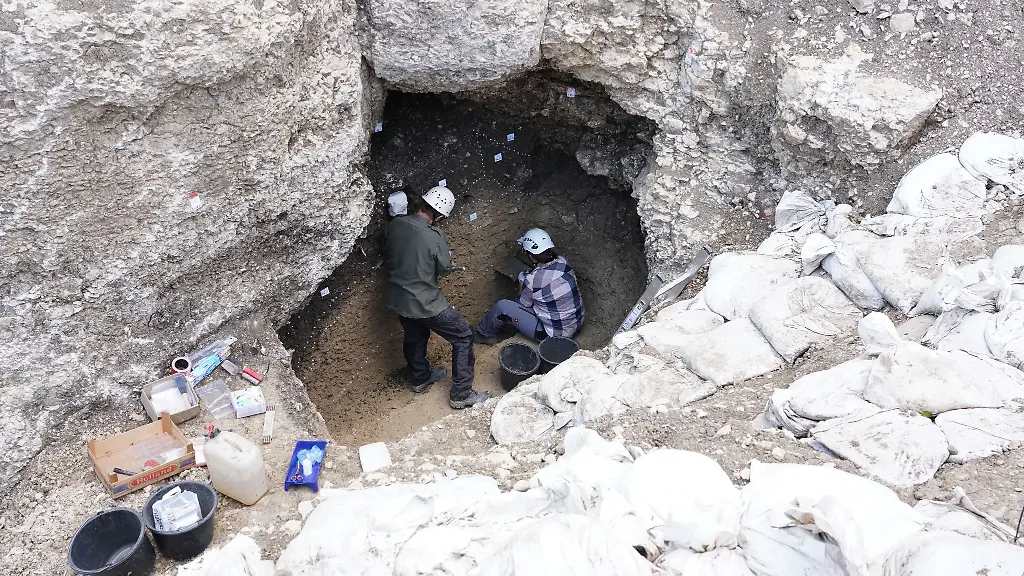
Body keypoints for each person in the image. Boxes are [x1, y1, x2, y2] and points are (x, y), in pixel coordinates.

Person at [384, 186, 492, 409]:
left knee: (415, 335)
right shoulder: (435, 236)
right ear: (440, 215)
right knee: (463, 335)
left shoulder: (395, 224)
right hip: (425, 302)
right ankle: (461, 394)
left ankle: (420, 379)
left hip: (399, 299)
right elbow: (443, 268)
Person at [475, 228, 584, 344]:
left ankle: (482, 334)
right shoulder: (563, 262)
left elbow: (522, 305)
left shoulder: (531, 280)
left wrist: (522, 283)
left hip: (553, 336)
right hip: (576, 322)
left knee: (503, 307)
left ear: (531, 256)